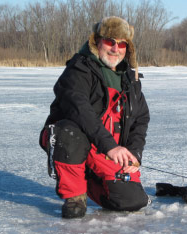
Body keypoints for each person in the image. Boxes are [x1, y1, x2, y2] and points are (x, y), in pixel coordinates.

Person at [39, 16, 150, 218]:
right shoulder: (79, 69)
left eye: (122, 43)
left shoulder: (130, 81)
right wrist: (110, 146)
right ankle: (75, 196)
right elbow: (80, 110)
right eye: (110, 42)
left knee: (132, 201)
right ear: (97, 41)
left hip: (108, 149)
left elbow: (141, 119)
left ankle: (92, 179)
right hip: (80, 141)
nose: (115, 49)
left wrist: (134, 153)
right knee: (69, 132)